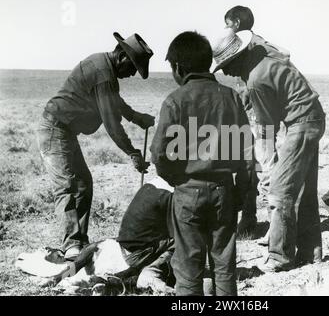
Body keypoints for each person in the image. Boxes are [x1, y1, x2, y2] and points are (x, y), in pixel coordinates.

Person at [212, 28, 326, 272]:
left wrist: (266, 163)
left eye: (228, 64)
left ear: (238, 58)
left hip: (302, 124)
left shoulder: (255, 80)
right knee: (305, 190)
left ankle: (279, 257)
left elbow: (267, 128)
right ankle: (311, 250)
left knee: (280, 191)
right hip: (312, 118)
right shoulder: (265, 55)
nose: (226, 71)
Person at [150, 31, 253, 295]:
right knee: (225, 268)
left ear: (178, 68)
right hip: (224, 191)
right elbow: (246, 153)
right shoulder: (231, 97)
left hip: (188, 192)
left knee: (188, 270)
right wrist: (240, 192)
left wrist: (180, 182)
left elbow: (160, 155)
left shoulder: (176, 100)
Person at [36, 32, 155, 260]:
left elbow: (113, 101)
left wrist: (136, 117)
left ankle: (79, 242)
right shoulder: (103, 73)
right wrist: (132, 153)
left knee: (82, 184)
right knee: (68, 186)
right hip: (54, 129)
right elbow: (111, 123)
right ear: (121, 56)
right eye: (132, 67)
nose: (131, 74)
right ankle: (72, 247)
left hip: (64, 131)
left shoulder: (104, 68)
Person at [223, 6, 291, 235]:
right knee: (249, 167)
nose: (226, 29)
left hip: (260, 116)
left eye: (228, 24)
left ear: (237, 24)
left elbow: (284, 56)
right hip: (252, 115)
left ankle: (275, 224)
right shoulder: (254, 46)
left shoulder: (256, 46)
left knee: (265, 167)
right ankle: (251, 219)